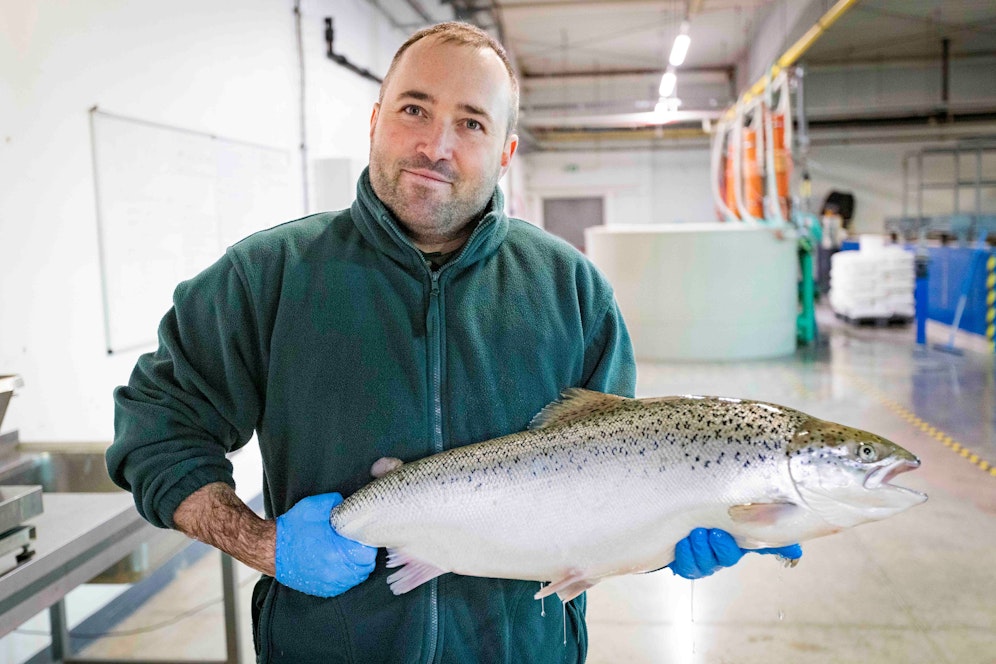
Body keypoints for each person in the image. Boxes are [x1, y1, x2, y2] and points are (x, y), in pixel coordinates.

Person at [107, 21, 799, 663]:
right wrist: (264, 544)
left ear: (505, 150)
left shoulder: (574, 293)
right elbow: (155, 433)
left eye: (471, 123)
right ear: (376, 120)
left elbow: (608, 499)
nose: (436, 146)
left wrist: (671, 536)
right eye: (414, 109)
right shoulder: (269, 277)